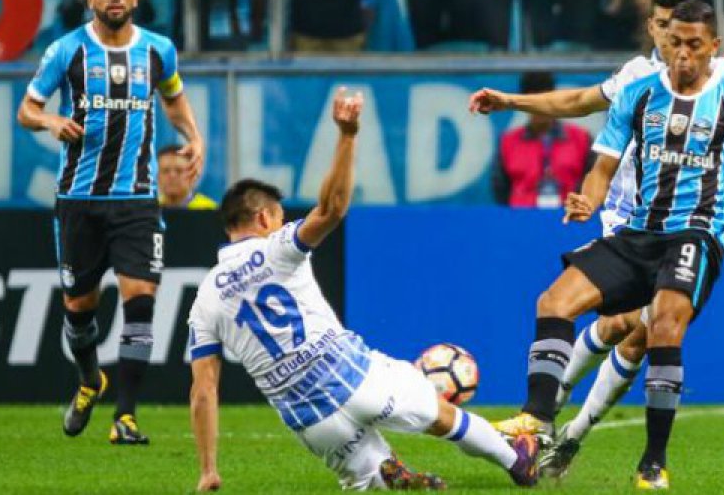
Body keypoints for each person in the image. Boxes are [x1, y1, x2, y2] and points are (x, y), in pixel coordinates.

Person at [469, 0, 724, 477]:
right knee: (560, 305)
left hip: (693, 235)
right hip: (632, 227)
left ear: (711, 45)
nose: (677, 48)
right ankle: (538, 422)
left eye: (689, 40)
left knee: (649, 328)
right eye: (668, 34)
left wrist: (715, 224)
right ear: (654, 30)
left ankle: (647, 459)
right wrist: (587, 197)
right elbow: (600, 157)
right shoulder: (636, 85)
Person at [187, 88, 540, 492]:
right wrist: (348, 136)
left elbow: (203, 390)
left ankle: (388, 475)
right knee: (443, 417)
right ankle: (517, 461)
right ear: (265, 217)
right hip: (354, 376)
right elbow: (333, 208)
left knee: (372, 479)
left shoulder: (205, 300)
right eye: (280, 215)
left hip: (308, 418)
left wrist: (208, 468)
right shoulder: (277, 249)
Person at [16, 0, 206, 445]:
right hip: (79, 198)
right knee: (79, 309)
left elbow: (173, 95)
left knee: (140, 299)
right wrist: (51, 122)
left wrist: (193, 135)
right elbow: (27, 109)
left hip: (138, 199)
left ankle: (126, 417)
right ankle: (88, 379)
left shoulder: (158, 49)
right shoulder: (67, 51)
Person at [491, 71, 592, 207]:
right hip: (521, 222)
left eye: (545, 101)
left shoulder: (582, 139)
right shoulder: (507, 142)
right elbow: (501, 190)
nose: (539, 108)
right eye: (533, 102)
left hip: (570, 222)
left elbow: (592, 185)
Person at [158, 144, 218, 209]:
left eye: (179, 171)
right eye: (165, 171)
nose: (172, 176)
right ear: (158, 176)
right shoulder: (149, 211)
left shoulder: (211, 210)